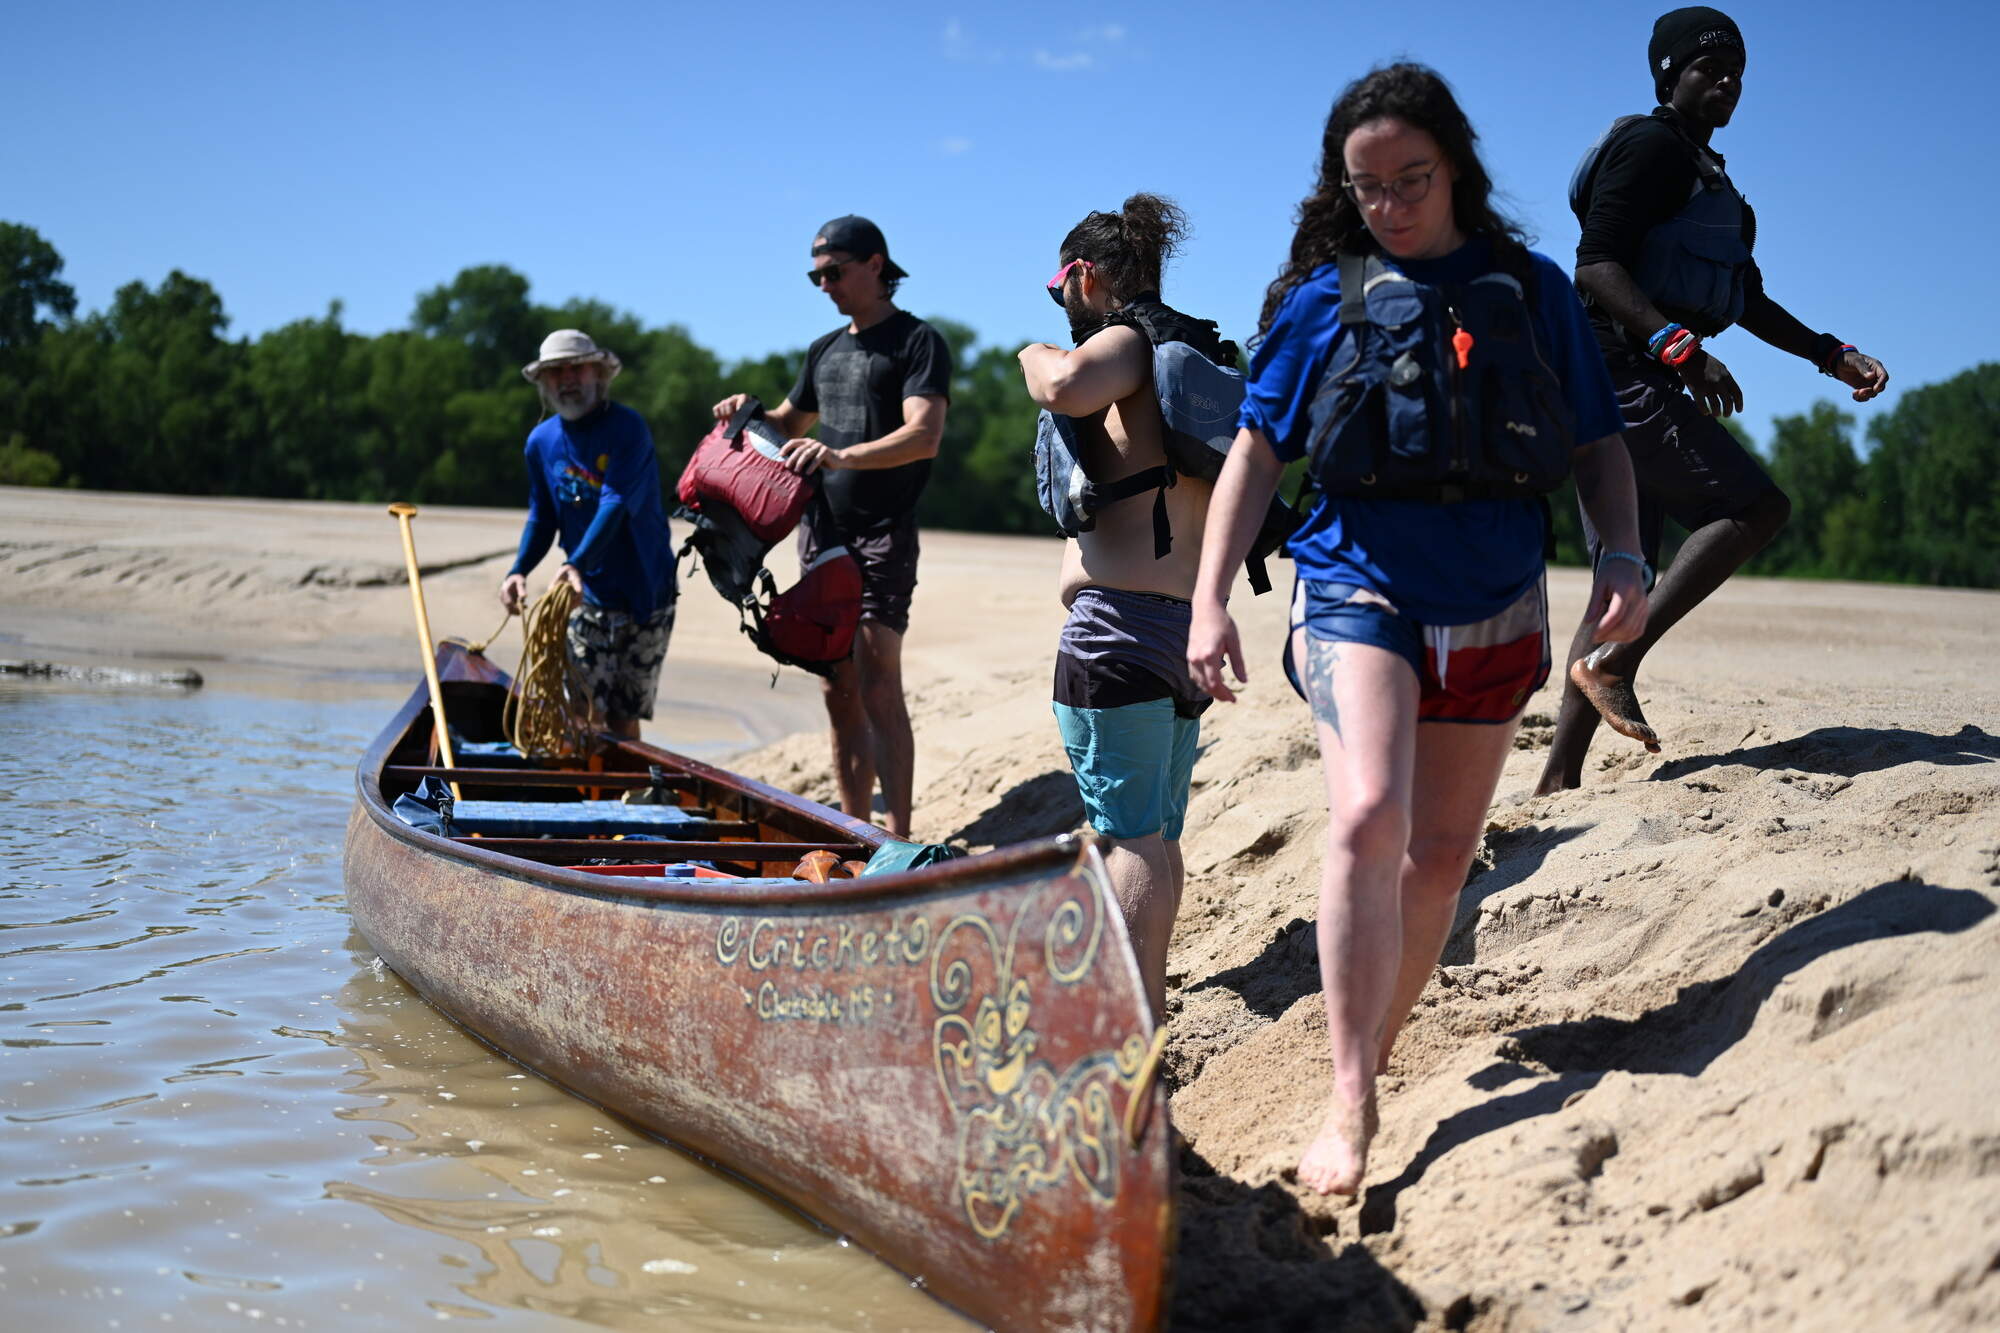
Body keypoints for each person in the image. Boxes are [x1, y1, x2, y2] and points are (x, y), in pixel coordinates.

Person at [1187, 64, 1649, 1195]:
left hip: (1493, 597)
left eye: (1411, 179)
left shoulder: (1531, 291)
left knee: (1439, 858)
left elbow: (1594, 441)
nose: (1389, 203)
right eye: (1367, 187)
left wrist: (1622, 553)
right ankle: (1348, 1098)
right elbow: (1253, 450)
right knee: (1362, 819)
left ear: (1456, 170)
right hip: (1355, 584)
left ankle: (1373, 1053)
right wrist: (1206, 597)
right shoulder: (1318, 300)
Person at [1535, 7, 1891, 793]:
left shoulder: (1714, 181)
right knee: (1756, 507)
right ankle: (1616, 662)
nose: (1727, 80)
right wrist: (1677, 344)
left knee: (1621, 578)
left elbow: (1747, 297)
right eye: (1708, 66)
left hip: (1626, 376)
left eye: (1737, 70)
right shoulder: (1651, 147)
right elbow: (1594, 266)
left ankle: (1558, 781)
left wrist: (1829, 353)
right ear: (1669, 74)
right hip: (1614, 371)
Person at [1017, 193, 1222, 1018]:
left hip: (1117, 634)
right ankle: (1155, 999)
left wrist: (1031, 351)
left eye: (1056, 290)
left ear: (1084, 276)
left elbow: (1065, 384)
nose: (1058, 307)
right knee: (1157, 834)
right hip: (1184, 631)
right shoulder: (1202, 355)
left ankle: (1130, 1015)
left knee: (1127, 834)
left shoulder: (1131, 344)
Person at [711, 217, 951, 837]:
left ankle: (896, 834)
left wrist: (841, 455)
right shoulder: (824, 349)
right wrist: (749, 411)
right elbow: (790, 422)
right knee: (836, 686)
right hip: (820, 532)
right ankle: (854, 832)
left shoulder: (917, 342)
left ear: (876, 265)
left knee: (877, 677)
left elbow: (924, 437)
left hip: (884, 528)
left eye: (834, 271)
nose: (824, 284)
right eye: (815, 275)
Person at [500, 329, 676, 742]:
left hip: (646, 594)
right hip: (584, 595)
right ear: (543, 383)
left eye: (576, 368)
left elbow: (614, 503)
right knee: (579, 708)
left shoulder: (628, 429)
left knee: (621, 718)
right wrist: (518, 569)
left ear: (599, 373)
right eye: (555, 372)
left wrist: (573, 562)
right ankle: (583, 796)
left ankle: (621, 801)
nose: (567, 380)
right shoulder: (540, 443)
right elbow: (543, 515)